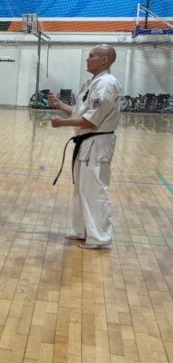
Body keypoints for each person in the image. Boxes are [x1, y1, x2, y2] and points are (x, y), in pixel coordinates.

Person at [48, 44, 122, 250]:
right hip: (86, 142)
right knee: (81, 189)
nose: (87, 59)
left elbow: (91, 120)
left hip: (97, 142)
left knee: (95, 190)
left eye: (91, 56)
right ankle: (82, 230)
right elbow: (80, 112)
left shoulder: (106, 84)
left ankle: (99, 236)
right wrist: (59, 105)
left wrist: (61, 123)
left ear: (104, 60)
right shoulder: (91, 83)